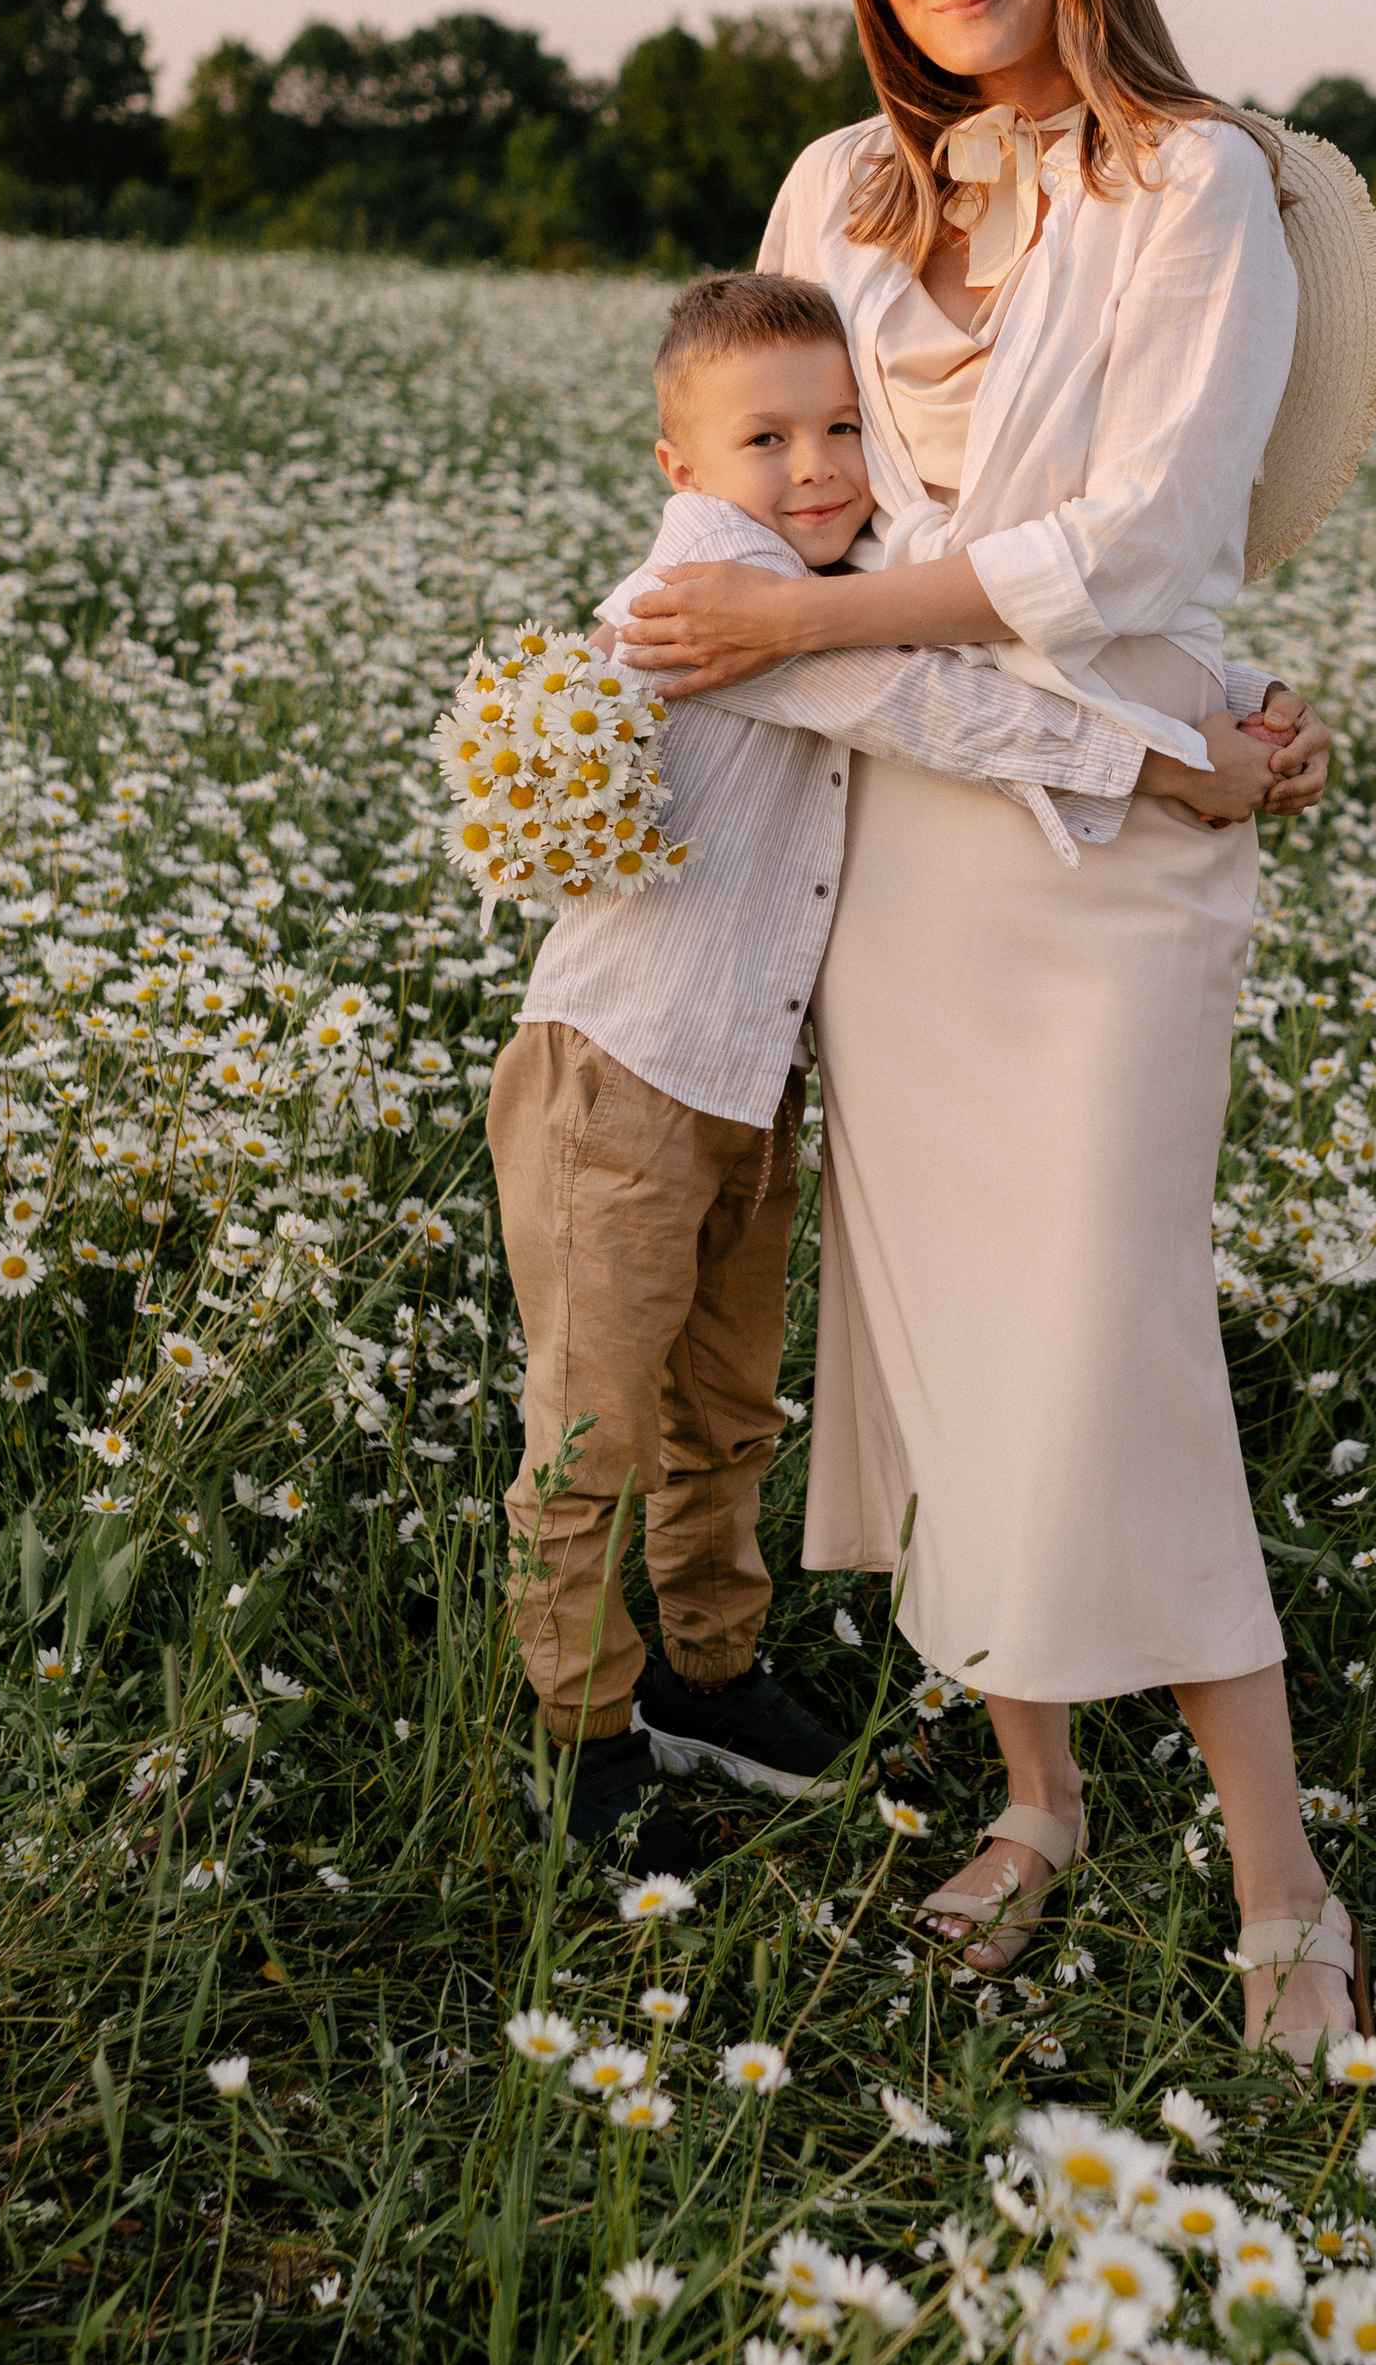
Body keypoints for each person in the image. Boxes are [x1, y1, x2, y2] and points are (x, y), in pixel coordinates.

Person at [614, 0, 1376, 2063]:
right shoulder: (837, 185)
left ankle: (1281, 1877)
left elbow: (1138, 539)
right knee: (941, 1331)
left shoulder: (1196, 181)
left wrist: (847, 630)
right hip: (900, 841)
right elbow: (769, 517)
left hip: (1115, 859)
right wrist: (799, 624)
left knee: (1108, 1330)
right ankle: (1033, 1799)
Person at [488, 265, 1290, 1879]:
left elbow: (1007, 628)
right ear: (681, 468)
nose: (816, 467)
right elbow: (929, 703)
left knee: (725, 1409)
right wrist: (1170, 766)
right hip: (619, 1075)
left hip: (742, 1078)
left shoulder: (829, 573)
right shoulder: (709, 596)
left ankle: (710, 1674)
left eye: (843, 428)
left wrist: (1242, 700)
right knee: (591, 1427)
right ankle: (575, 1729)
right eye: (766, 438)